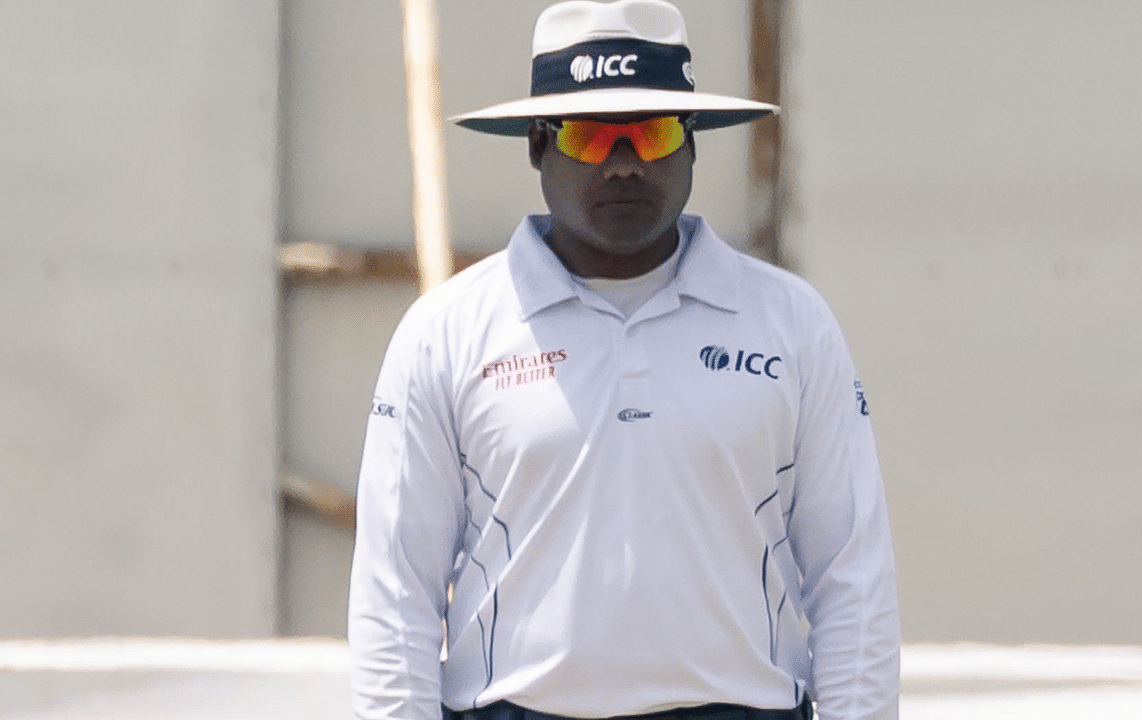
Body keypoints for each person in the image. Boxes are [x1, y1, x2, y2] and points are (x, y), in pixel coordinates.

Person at [347, 1, 901, 719]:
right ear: (536, 145)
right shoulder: (447, 331)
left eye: (651, 131)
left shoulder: (792, 325)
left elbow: (852, 576)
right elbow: (395, 594)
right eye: (588, 137)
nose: (623, 165)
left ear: (692, 142)